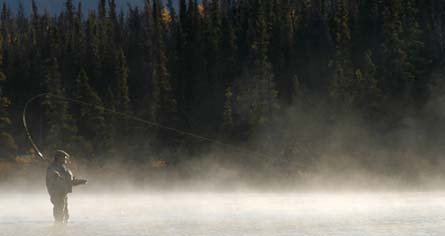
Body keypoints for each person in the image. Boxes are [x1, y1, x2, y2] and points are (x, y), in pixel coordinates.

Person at [46, 150, 87, 224]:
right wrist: (56, 175)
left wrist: (80, 182)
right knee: (59, 213)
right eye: (64, 158)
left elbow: (70, 182)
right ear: (58, 158)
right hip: (56, 193)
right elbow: (53, 173)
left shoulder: (65, 169)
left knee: (65, 215)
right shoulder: (52, 168)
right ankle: (58, 230)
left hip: (63, 193)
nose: (66, 160)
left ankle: (63, 229)